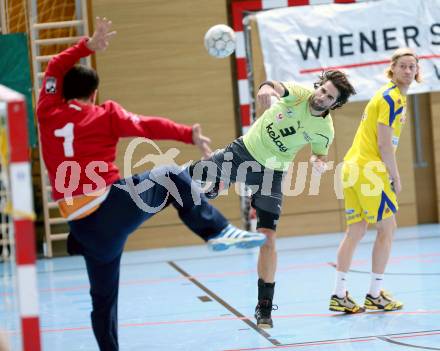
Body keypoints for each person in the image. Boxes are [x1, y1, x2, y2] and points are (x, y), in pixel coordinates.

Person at [36, 17, 266, 351]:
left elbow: (56, 65)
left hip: (83, 229)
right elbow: (147, 126)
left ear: (61, 91)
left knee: (103, 302)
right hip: (107, 208)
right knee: (169, 175)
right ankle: (216, 230)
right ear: (94, 93)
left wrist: (86, 46)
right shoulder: (104, 116)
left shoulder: (46, 111)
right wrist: (188, 134)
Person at [189, 71, 356, 328]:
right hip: (243, 152)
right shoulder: (300, 95)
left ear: (335, 104)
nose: (322, 97)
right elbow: (275, 85)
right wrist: (266, 89)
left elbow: (318, 154)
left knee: (268, 237)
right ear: (319, 86)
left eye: (329, 97)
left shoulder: (324, 130)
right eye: (323, 90)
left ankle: (264, 306)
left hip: (272, 173)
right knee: (194, 175)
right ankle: (215, 181)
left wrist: (318, 162)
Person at [329, 48, 421, 314]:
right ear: (392, 68)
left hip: (352, 167)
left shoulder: (386, 95)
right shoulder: (391, 98)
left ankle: (339, 293)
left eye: (411, 67)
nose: (407, 70)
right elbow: (384, 143)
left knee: (356, 230)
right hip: (369, 171)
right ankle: (375, 293)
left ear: (416, 72)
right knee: (387, 228)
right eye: (402, 66)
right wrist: (395, 175)